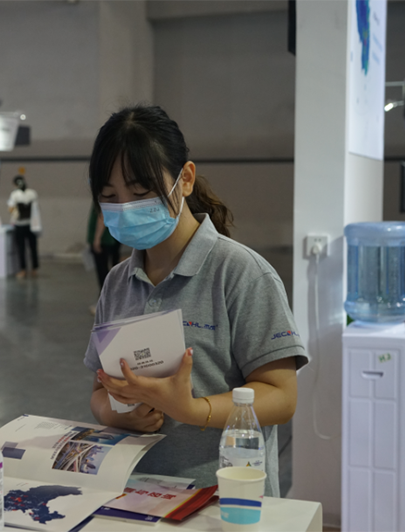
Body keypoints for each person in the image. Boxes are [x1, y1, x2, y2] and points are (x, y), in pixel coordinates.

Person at [84, 106, 307, 496]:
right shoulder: (118, 281)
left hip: (224, 499)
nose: (127, 208)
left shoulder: (242, 274)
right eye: (110, 197)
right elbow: (100, 391)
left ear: (185, 179)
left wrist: (191, 410)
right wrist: (118, 415)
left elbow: (282, 397)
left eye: (141, 192)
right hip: (135, 497)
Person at [86, 203, 120, 315]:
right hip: (107, 239)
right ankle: (104, 301)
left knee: (103, 273)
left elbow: (102, 216)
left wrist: (97, 238)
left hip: (103, 241)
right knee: (105, 272)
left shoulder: (102, 197)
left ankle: (105, 304)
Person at [7, 175, 39, 278]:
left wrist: (15, 213)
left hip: (20, 225)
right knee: (33, 247)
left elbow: (11, 209)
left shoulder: (14, 195)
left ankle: (23, 270)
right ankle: (34, 269)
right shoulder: (32, 193)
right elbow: (36, 209)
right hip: (31, 225)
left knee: (21, 248)